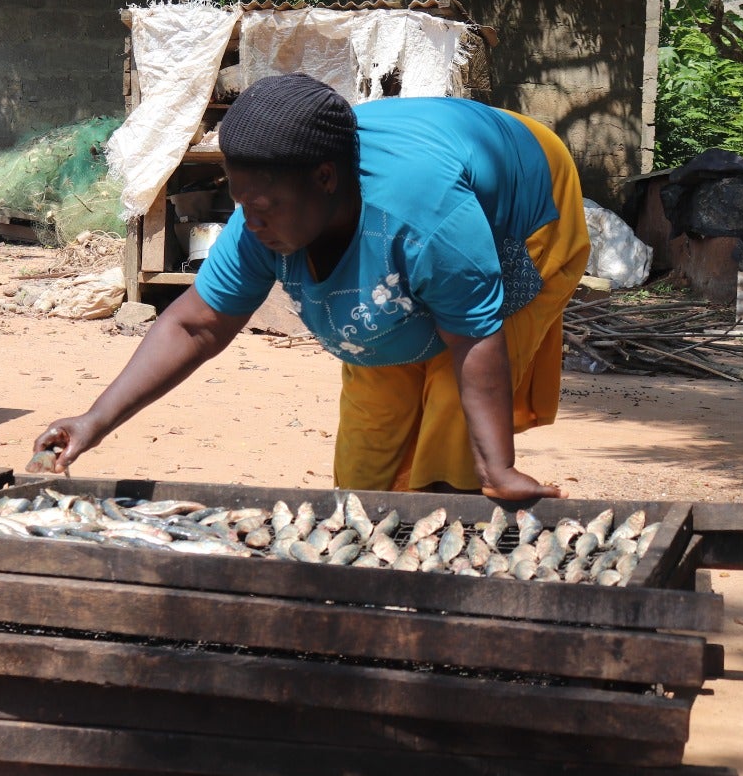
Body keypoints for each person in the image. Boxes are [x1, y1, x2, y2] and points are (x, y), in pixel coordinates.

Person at [34, 73, 590, 501]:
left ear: (326, 179)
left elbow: (473, 338)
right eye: (240, 203)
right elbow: (195, 324)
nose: (250, 224)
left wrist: (499, 467)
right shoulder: (262, 217)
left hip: (525, 199)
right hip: (420, 196)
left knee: (451, 421)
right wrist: (94, 420)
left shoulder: (427, 219)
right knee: (371, 425)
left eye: (263, 207)